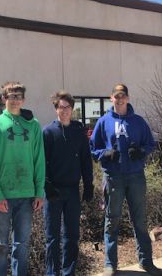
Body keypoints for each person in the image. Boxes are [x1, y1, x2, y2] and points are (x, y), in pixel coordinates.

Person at [90, 84, 162, 276]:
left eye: (123, 96)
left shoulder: (138, 122)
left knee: (140, 220)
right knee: (111, 221)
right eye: (116, 96)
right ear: (111, 98)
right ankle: (110, 264)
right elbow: (92, 148)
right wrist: (105, 153)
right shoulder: (103, 122)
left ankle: (146, 261)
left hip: (136, 177)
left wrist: (140, 151)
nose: (120, 99)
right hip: (113, 177)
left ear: (128, 98)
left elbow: (150, 144)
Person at [0, 81, 45, 276]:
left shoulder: (33, 125)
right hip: (3, 195)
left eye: (18, 96)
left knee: (22, 245)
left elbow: (39, 160)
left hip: (27, 194)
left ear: (24, 99)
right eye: (10, 96)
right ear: (4, 99)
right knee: (0, 245)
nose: (15, 99)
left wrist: (38, 191)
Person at [42, 90, 93, 276]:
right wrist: (46, 185)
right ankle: (51, 273)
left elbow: (86, 160)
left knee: (72, 236)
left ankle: (68, 272)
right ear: (56, 109)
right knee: (52, 238)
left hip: (72, 191)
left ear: (72, 109)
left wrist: (89, 186)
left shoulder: (78, 132)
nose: (64, 111)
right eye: (60, 107)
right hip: (53, 191)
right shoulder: (47, 132)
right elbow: (43, 162)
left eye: (67, 107)